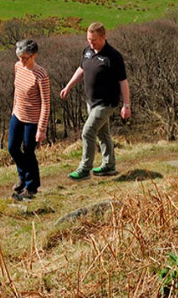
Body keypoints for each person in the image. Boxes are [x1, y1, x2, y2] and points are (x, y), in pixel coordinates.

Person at [60, 22, 130, 180]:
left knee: (88, 132)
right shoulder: (87, 51)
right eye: (89, 39)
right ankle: (109, 166)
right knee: (103, 133)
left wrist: (126, 105)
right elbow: (82, 69)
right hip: (90, 101)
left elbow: (123, 81)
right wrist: (68, 86)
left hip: (106, 103)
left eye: (94, 40)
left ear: (103, 37)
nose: (91, 43)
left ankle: (85, 169)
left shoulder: (113, 56)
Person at [7, 38, 50, 201]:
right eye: (20, 57)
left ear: (34, 56)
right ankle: (23, 177)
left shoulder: (41, 75)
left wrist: (41, 129)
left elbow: (46, 103)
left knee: (29, 151)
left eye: (25, 58)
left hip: (33, 119)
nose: (22, 61)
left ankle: (31, 186)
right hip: (17, 114)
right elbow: (16, 91)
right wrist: (13, 109)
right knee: (12, 148)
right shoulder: (18, 66)